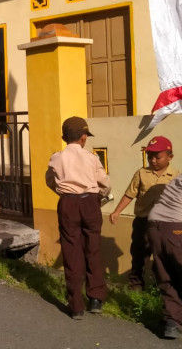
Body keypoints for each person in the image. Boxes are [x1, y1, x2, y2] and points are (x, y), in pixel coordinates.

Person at [46, 116, 111, 320]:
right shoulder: (92, 158)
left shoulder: (56, 157)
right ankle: (96, 299)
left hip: (68, 203)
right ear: (84, 137)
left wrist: (65, 193)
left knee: (71, 250)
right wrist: (98, 196)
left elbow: (50, 181)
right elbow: (105, 184)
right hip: (90, 202)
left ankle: (76, 306)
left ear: (64, 137)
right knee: (93, 248)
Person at [110, 136, 178, 291]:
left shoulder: (176, 176)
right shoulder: (141, 173)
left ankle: (159, 287)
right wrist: (117, 211)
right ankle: (136, 286)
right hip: (143, 222)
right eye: (149, 156)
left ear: (170, 157)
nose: (153, 160)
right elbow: (130, 194)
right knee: (139, 255)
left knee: (162, 257)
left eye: (157, 157)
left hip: (165, 225)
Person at [147, 173, 182, 339]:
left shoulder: (178, 177)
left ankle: (171, 321)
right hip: (175, 227)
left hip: (154, 225)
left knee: (166, 274)